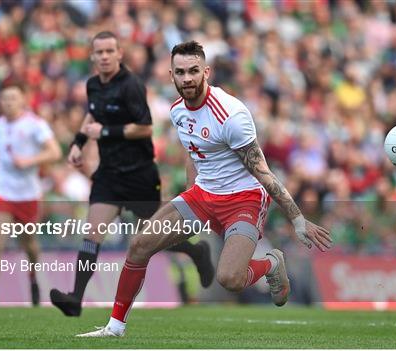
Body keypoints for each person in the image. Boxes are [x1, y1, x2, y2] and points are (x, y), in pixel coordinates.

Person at [76, 41, 331, 337]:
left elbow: (263, 172)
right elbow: (192, 151)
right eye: (180, 72)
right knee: (138, 245)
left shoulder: (231, 115)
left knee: (230, 278)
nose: (187, 78)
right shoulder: (177, 111)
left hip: (243, 199)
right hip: (202, 196)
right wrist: (188, 197)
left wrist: (297, 218)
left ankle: (272, 263)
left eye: (193, 71)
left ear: (206, 72)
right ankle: (115, 327)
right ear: (171, 75)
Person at [50, 32, 214, 317]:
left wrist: (105, 132)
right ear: (92, 56)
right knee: (92, 235)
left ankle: (195, 252)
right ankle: (75, 298)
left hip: (139, 174)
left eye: (109, 51)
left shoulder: (131, 86)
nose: (104, 56)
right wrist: (78, 143)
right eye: (98, 52)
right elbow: (92, 115)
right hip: (109, 176)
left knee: (152, 237)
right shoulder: (92, 86)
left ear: (119, 54)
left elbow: (145, 128)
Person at [0, 83, 62, 309]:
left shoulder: (35, 125)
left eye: (13, 98)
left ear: (23, 100)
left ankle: (33, 278)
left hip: (27, 194)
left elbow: (54, 152)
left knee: (30, 245)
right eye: (4, 98)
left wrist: (29, 161)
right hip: (3, 191)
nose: (8, 102)